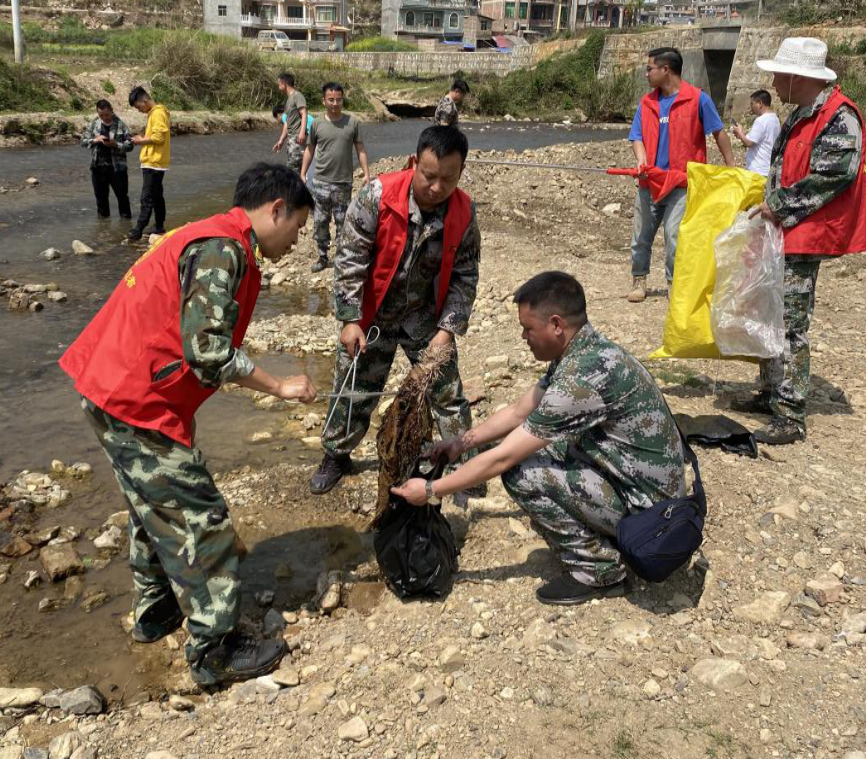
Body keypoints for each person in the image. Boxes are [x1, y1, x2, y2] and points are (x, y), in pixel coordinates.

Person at [59, 164, 318, 686]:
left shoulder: (213, 234)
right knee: (201, 517)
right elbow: (208, 353)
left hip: (114, 388)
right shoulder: (223, 249)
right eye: (298, 227)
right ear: (277, 209)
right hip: (133, 400)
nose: (297, 240)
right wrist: (278, 386)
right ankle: (215, 650)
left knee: (152, 504)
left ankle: (156, 613)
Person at [391, 271, 686, 605]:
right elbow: (520, 411)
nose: (523, 337)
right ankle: (600, 536)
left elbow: (504, 458)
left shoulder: (581, 379)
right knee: (515, 444)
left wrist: (431, 490)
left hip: (652, 515)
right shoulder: (583, 351)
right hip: (637, 482)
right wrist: (462, 442)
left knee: (520, 471)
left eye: (528, 328)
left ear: (556, 325)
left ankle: (599, 570)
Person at [310, 126, 480, 495]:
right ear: (413, 162)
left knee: (446, 392)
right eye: (429, 176)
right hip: (374, 314)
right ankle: (336, 453)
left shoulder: (464, 212)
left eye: (448, 179)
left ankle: (464, 466)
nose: (436, 187)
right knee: (354, 386)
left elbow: (465, 276)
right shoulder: (377, 196)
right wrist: (350, 319)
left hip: (425, 315)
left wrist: (446, 331)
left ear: (461, 172)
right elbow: (350, 259)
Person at [735, 38, 865, 445]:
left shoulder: (839, 117)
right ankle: (771, 390)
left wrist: (778, 205)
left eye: (779, 74)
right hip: (784, 231)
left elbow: (835, 174)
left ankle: (790, 414)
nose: (774, 82)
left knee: (790, 324)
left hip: (804, 234)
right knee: (769, 313)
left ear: (798, 76)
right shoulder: (801, 114)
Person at [626, 47, 736, 302]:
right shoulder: (647, 102)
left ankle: (674, 284)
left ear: (666, 70)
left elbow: (719, 133)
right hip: (650, 183)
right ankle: (639, 279)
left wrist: (731, 168)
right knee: (640, 237)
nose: (646, 73)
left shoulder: (698, 99)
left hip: (682, 184)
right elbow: (636, 136)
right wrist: (641, 159)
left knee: (675, 237)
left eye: (649, 69)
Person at [301, 82, 371, 273]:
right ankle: (322, 257)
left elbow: (360, 149)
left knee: (343, 222)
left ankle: (341, 257)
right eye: (331, 100)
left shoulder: (352, 123)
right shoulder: (316, 124)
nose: (334, 103)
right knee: (320, 222)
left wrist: (366, 173)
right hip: (320, 182)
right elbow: (309, 150)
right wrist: (302, 173)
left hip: (343, 183)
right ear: (324, 101)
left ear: (342, 100)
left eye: (338, 100)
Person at [127, 86, 171, 242]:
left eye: (138, 107)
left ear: (144, 100)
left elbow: (159, 138)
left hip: (153, 162)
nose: (139, 110)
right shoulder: (156, 113)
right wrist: (141, 138)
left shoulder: (157, 113)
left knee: (147, 197)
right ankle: (159, 226)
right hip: (155, 162)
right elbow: (156, 136)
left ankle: (138, 229)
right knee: (157, 196)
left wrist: (140, 140)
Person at [80, 99, 133, 219]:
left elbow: (130, 145)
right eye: (101, 115)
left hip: (117, 168)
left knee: (122, 198)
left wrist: (115, 145)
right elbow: (82, 142)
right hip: (98, 167)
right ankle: (103, 228)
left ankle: (126, 226)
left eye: (107, 115)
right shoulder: (94, 123)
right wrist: (95, 140)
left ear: (112, 111)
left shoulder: (121, 124)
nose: (104, 118)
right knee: (101, 201)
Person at [732, 89, 781, 176]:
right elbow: (760, 139)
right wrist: (741, 135)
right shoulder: (775, 118)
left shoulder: (761, 120)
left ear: (760, 103)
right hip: (769, 168)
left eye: (752, 104)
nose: (751, 107)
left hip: (758, 170)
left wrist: (740, 132)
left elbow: (749, 143)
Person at [272, 73, 307, 172]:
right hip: (291, 139)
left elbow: (304, 113)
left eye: (279, 83)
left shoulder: (297, 96)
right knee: (294, 168)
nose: (278, 86)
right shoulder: (289, 100)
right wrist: (281, 140)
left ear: (284, 83)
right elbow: (287, 122)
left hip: (297, 138)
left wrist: (302, 133)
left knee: (292, 168)